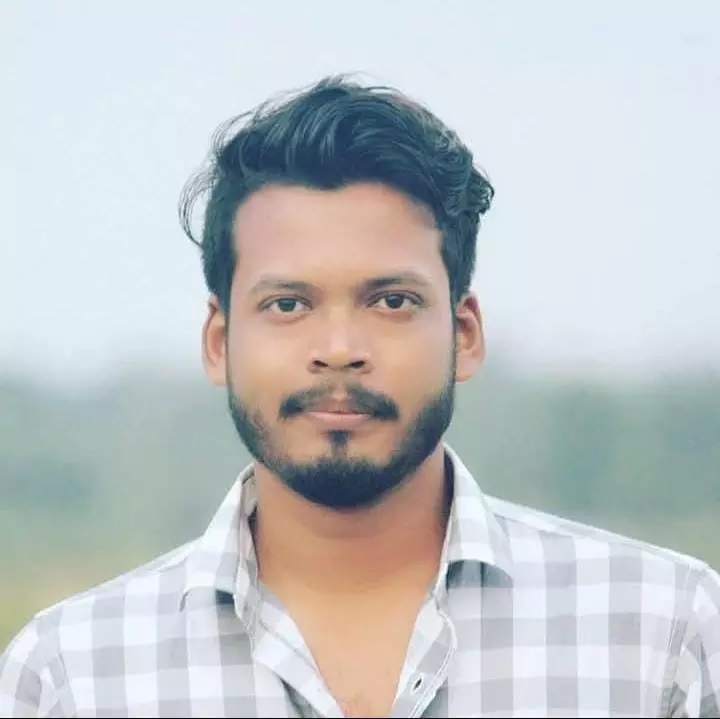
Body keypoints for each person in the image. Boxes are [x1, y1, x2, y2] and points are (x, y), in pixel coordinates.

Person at [1, 75, 719, 719]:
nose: (340, 347)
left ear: (464, 334)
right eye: (288, 304)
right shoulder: (72, 676)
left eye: (391, 300)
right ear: (219, 342)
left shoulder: (665, 635)